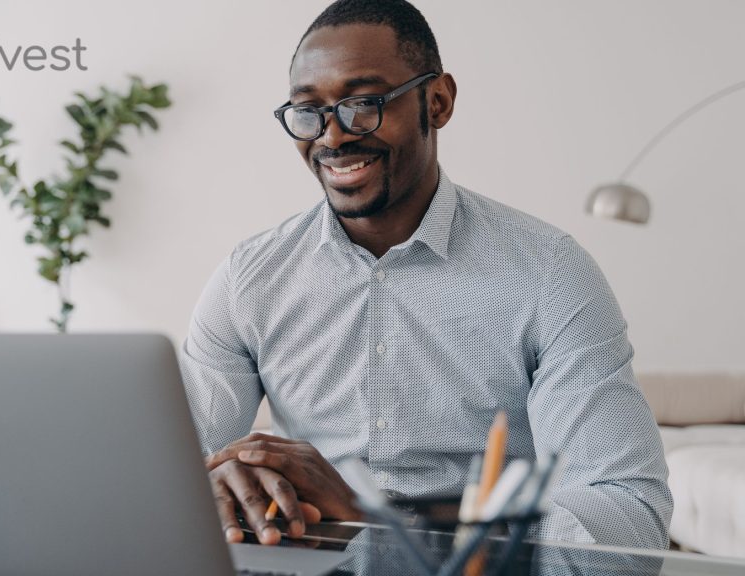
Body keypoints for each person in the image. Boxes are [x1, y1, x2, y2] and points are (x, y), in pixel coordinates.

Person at [178, 0, 671, 549]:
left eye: (362, 104)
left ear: (436, 101)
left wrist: (382, 523)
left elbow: (631, 516)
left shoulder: (551, 274)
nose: (332, 137)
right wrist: (216, 485)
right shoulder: (249, 280)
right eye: (307, 110)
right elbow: (174, 475)